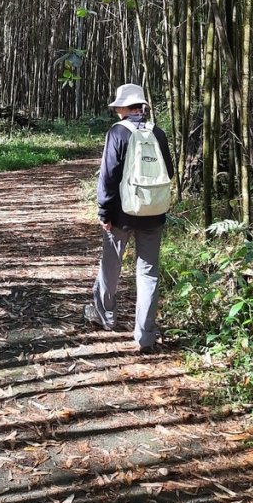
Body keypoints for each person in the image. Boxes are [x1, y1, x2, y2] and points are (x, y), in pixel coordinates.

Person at [84, 83, 175, 353]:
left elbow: (108, 176)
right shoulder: (157, 133)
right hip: (153, 213)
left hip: (121, 214)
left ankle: (106, 315)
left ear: (124, 108)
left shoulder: (118, 133)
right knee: (148, 273)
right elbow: (168, 171)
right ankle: (145, 335)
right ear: (142, 107)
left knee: (111, 265)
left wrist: (104, 211)